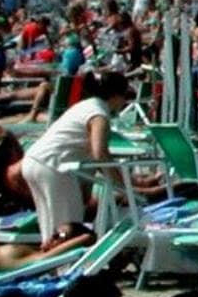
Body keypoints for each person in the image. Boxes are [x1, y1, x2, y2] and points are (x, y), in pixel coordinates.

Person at [17, 71, 134, 240]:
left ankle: (50, 252)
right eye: (125, 97)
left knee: (51, 228)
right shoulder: (99, 115)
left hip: (34, 161)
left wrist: (109, 184)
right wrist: (123, 188)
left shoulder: (85, 106)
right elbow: (99, 153)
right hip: (53, 167)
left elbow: (89, 154)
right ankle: (63, 256)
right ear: (116, 95)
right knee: (69, 230)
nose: (124, 102)